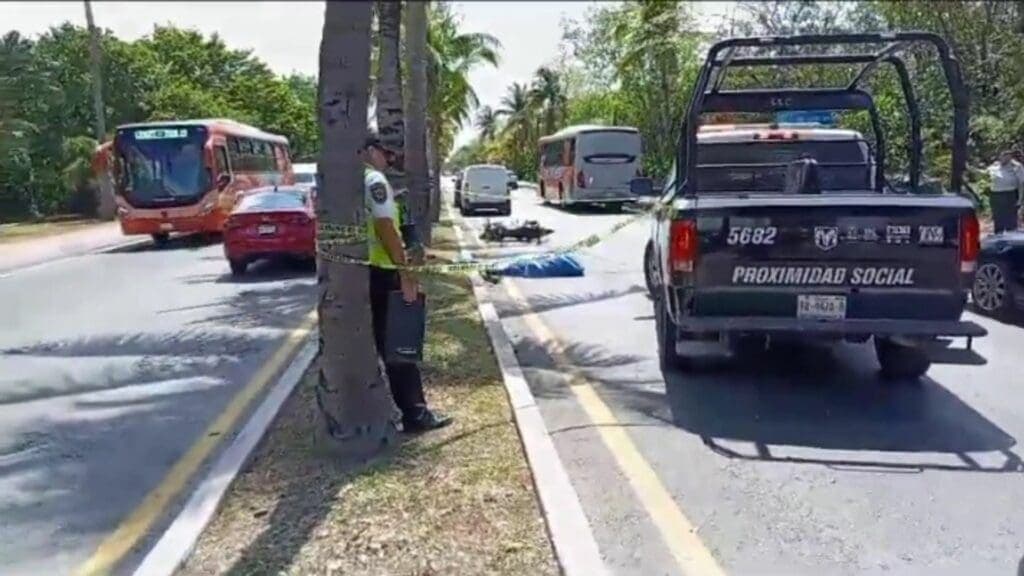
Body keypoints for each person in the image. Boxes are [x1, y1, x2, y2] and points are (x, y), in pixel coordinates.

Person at [362, 131, 452, 433]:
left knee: (377, 347)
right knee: (400, 347)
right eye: (385, 154)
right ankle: (415, 413)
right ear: (370, 150)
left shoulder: (342, 181)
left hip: (357, 275)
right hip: (383, 273)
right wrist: (406, 273)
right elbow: (386, 226)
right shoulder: (374, 181)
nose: (388, 161)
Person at [986, 150, 1024, 234]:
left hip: (1009, 195)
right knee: (998, 218)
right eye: (1003, 155)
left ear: (1010, 157)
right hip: (996, 195)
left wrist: (1020, 200)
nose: (1005, 157)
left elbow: (1021, 184)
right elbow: (985, 175)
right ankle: (998, 235)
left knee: (1010, 221)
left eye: (1008, 156)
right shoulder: (995, 166)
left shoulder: (1016, 167)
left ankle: (1011, 237)